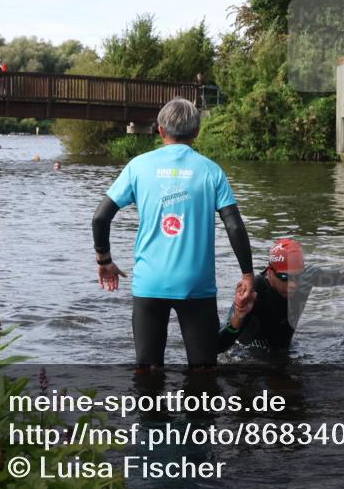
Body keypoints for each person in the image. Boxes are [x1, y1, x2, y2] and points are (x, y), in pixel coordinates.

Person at [91, 97, 254, 368]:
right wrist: (247, 274)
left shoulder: (138, 166)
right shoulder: (211, 171)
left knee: (148, 370)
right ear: (197, 132)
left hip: (150, 283)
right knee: (203, 370)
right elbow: (234, 226)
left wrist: (104, 261)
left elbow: (100, 218)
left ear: (160, 130)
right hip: (196, 285)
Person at [217, 239, 344, 355]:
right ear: (269, 272)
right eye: (285, 277)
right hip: (246, 356)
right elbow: (219, 346)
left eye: (298, 277)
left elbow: (343, 276)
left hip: (283, 353)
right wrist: (238, 316)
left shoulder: (308, 275)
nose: (293, 285)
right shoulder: (254, 291)